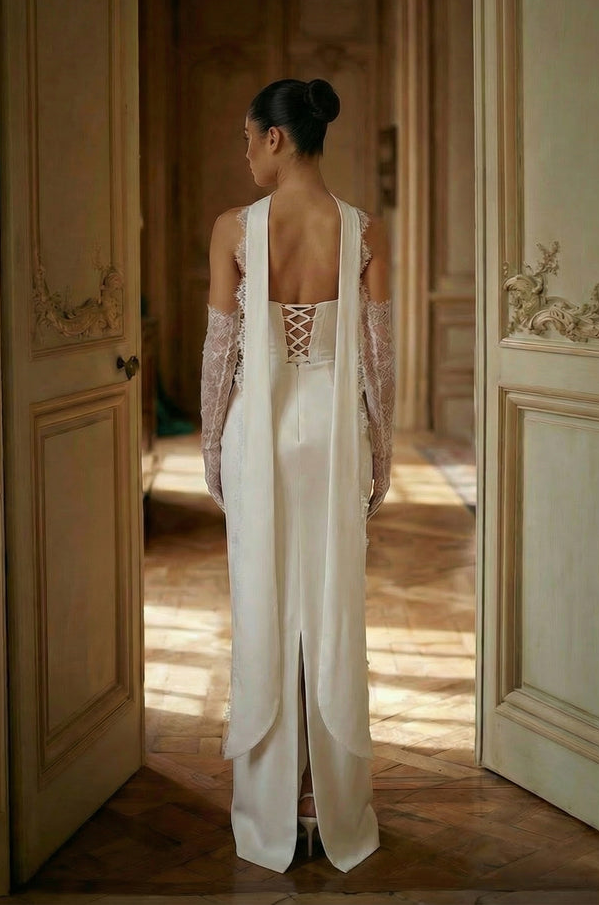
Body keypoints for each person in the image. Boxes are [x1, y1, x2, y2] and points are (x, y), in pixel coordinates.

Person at [199, 77, 395, 873]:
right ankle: (330, 804)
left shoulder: (234, 229)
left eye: (249, 139)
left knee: (265, 607)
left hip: (261, 435)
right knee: (334, 609)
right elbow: (376, 360)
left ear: (276, 138)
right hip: (335, 436)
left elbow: (221, 353)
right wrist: (381, 452)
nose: (246, 153)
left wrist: (212, 448)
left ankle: (270, 808)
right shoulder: (363, 230)